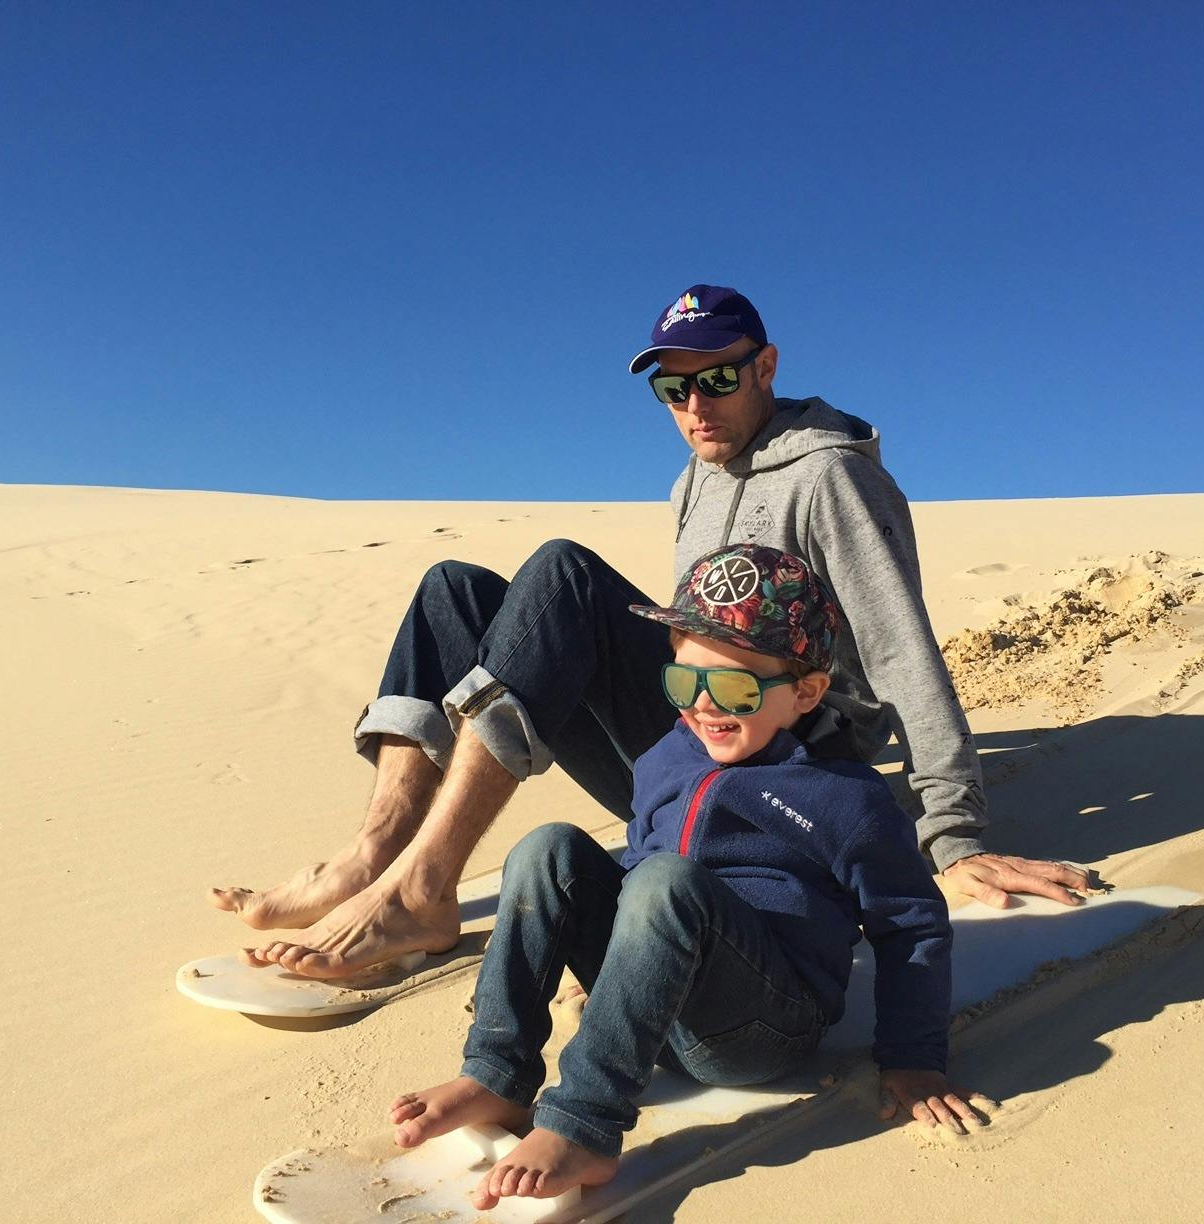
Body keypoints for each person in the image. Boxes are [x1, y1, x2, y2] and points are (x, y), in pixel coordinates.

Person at [211, 284, 1089, 979]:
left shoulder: (830, 479)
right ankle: (373, 857)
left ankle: (426, 885)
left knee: (562, 572)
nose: (694, 405)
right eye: (673, 388)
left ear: (766, 366)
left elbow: (901, 649)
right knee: (453, 593)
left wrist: (953, 838)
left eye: (716, 377)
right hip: (700, 748)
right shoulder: (691, 486)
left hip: (793, 778)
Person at [389, 546, 978, 1210]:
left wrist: (914, 1056)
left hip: (761, 1028)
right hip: (661, 1011)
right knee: (548, 849)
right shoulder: (668, 757)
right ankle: (496, 1072)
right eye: (683, 682)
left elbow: (910, 926)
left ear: (806, 693)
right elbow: (639, 863)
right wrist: (613, 966)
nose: (702, 706)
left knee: (666, 883)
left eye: (733, 687)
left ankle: (583, 1123)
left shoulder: (846, 798)